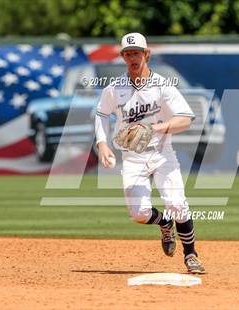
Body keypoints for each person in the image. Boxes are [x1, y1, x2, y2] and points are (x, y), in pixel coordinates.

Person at [95, 32, 205, 274]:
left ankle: (191, 255)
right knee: (139, 214)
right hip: (132, 158)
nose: (132, 57)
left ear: (147, 54)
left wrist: (157, 127)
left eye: (137, 53)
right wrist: (102, 143)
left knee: (177, 204)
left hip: (162, 153)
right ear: (123, 57)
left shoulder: (163, 87)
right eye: (128, 54)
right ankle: (165, 223)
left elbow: (186, 119)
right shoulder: (115, 89)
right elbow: (102, 114)